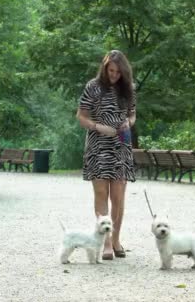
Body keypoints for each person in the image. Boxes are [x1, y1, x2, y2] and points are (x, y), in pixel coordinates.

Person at [76, 50, 136, 260]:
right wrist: (99, 127)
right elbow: (81, 117)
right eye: (111, 71)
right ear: (105, 68)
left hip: (121, 144)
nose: (114, 75)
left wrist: (129, 122)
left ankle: (117, 239)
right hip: (98, 145)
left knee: (118, 197)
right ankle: (107, 243)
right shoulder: (93, 87)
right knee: (101, 194)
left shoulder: (128, 87)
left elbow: (132, 113)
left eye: (118, 72)